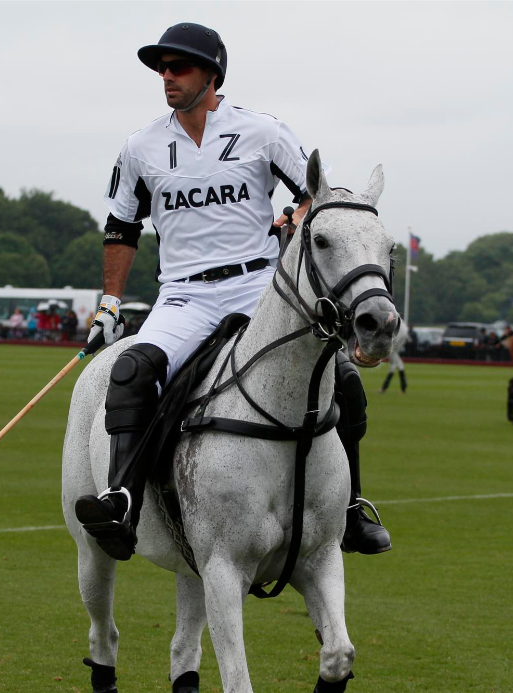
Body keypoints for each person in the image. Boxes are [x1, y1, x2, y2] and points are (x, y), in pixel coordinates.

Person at [73, 21, 390, 562]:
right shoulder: (141, 147)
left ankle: (352, 507)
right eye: (162, 68)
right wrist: (109, 302)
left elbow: (324, 195)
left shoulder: (262, 132)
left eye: (180, 67)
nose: (167, 77)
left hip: (259, 289)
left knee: (344, 378)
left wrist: (293, 212)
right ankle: (122, 500)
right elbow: (121, 228)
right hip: (183, 296)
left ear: (212, 74)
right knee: (131, 371)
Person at [379, 321, 409, 394]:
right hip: (399, 339)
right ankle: (403, 387)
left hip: (394, 342)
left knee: (395, 365)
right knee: (398, 365)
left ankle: (385, 387)